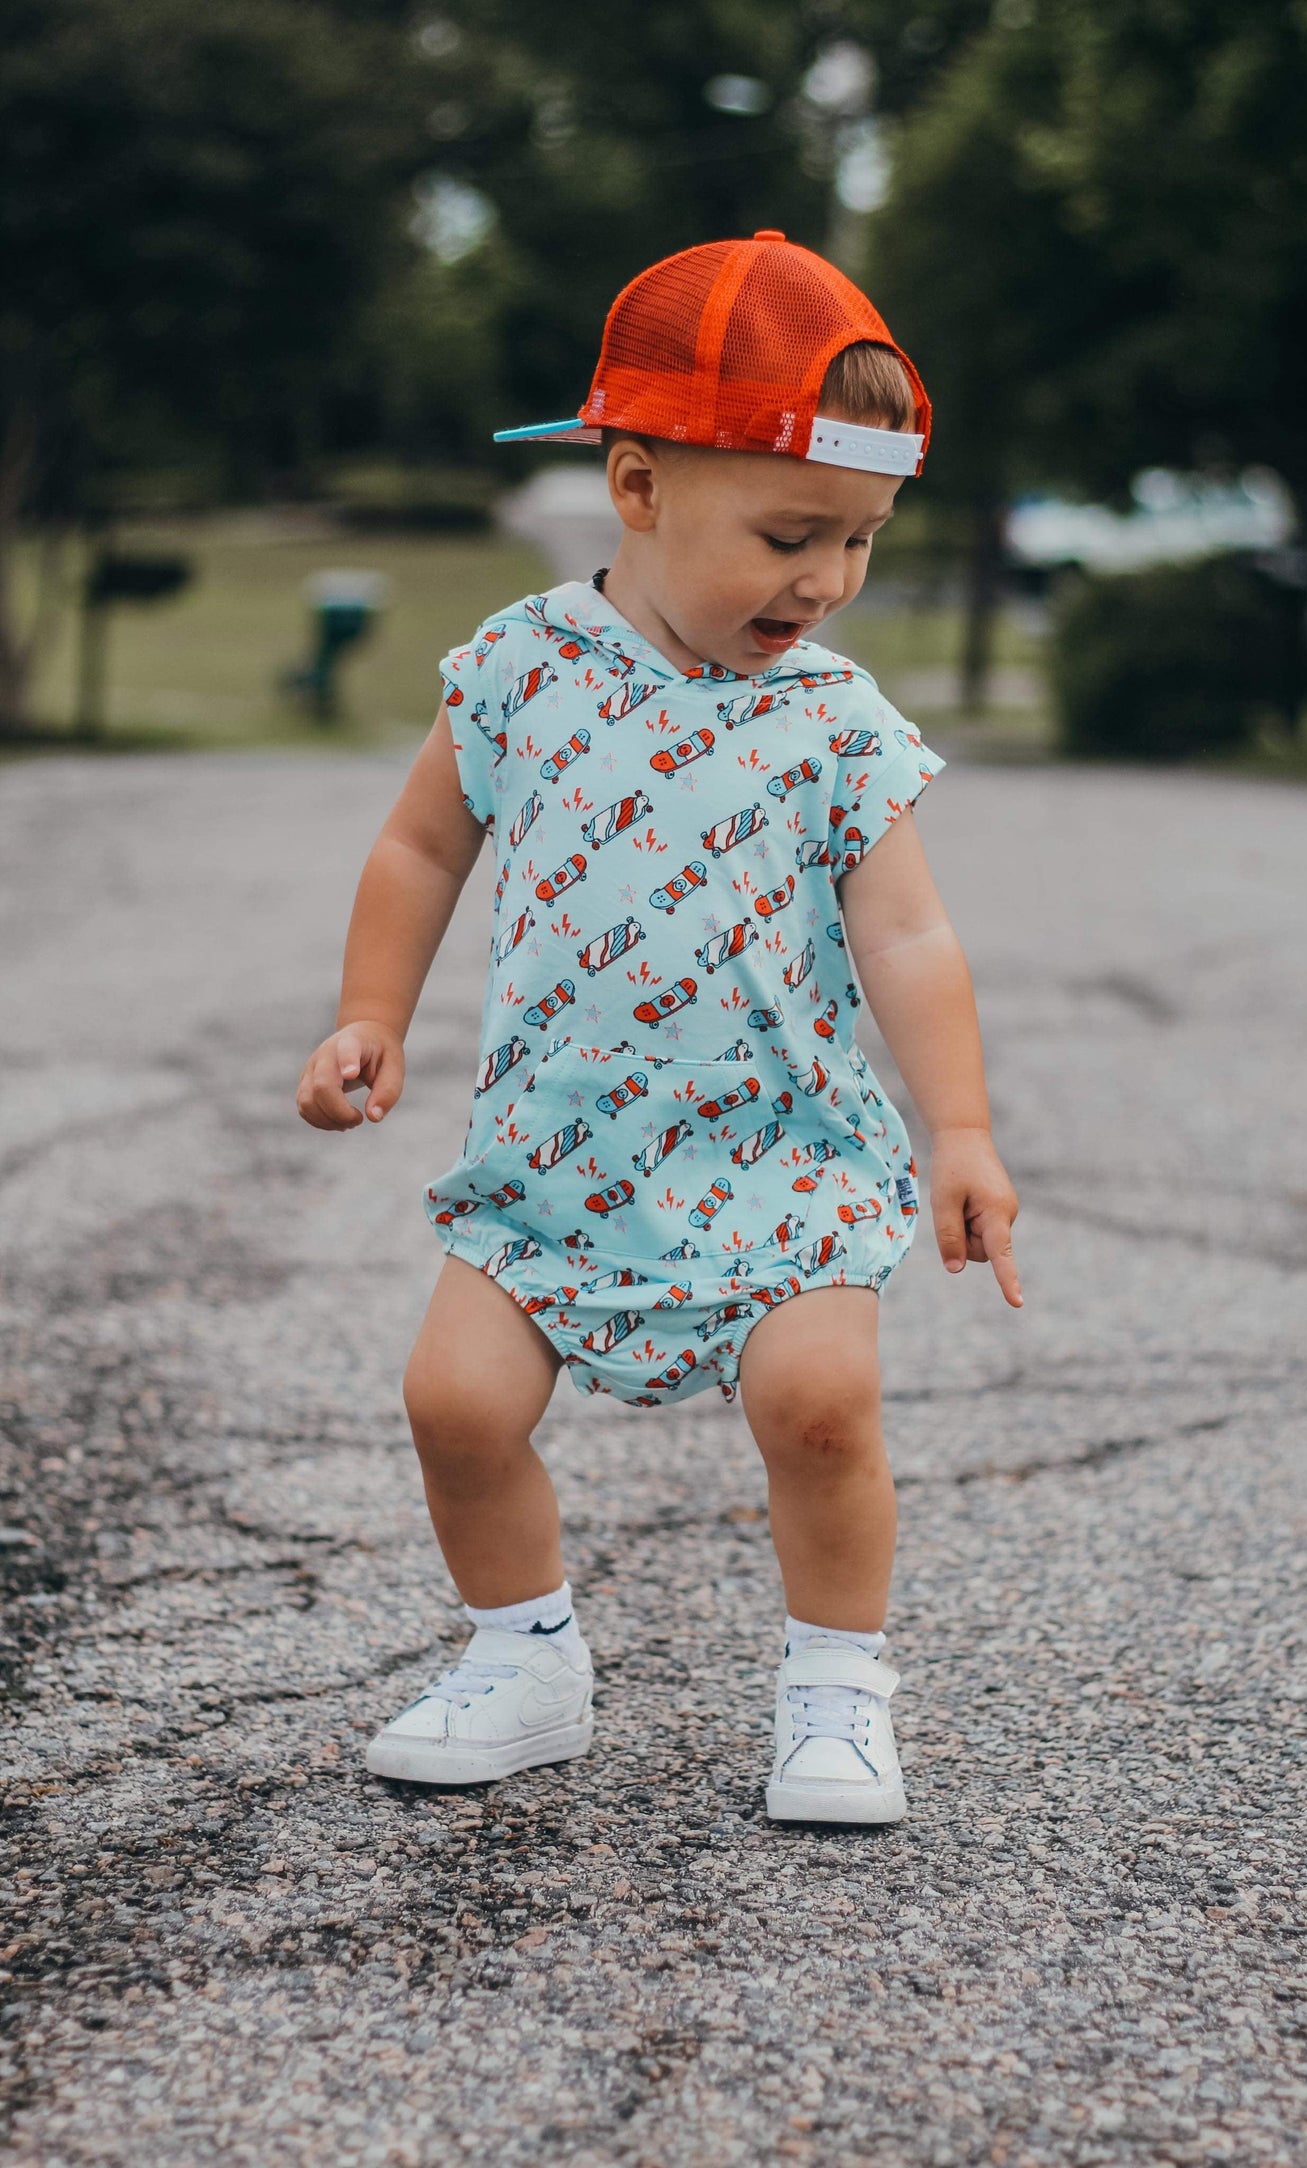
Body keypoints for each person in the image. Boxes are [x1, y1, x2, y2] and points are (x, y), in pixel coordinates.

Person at [296, 232, 1021, 1824]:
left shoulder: (834, 720)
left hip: (783, 1155)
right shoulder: (517, 669)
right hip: (556, 1154)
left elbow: (906, 933)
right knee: (454, 1405)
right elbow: (420, 846)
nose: (824, 582)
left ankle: (835, 1691)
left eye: (859, 541)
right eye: (787, 535)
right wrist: (369, 1012)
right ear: (635, 487)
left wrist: (960, 1130)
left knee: (817, 1410)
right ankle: (523, 1658)